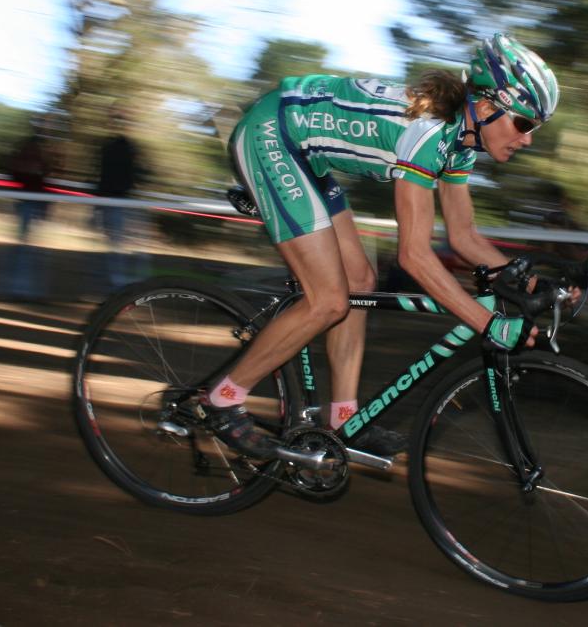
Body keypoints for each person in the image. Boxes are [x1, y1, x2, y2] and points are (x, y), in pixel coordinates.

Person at [204, 33, 560, 459]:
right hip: (271, 133)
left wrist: (533, 284)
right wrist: (488, 324)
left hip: (305, 152)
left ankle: (343, 419)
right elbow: (413, 255)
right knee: (329, 301)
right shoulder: (429, 133)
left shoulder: (461, 144)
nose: (528, 139)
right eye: (524, 123)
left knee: (359, 282)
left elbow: (463, 237)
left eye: (535, 127)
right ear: (485, 107)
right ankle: (223, 400)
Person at [95, 112, 150, 290]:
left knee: (117, 244)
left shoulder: (113, 147)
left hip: (120, 201)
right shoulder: (125, 147)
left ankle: (121, 284)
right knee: (118, 244)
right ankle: (121, 284)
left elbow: (103, 177)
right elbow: (137, 173)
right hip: (120, 200)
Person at [0, 127, 54, 301]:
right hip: (28, 203)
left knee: (26, 248)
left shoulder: (35, 153)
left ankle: (20, 288)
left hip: (31, 203)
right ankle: (19, 288)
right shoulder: (33, 152)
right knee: (25, 248)